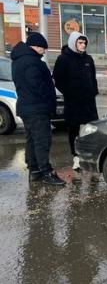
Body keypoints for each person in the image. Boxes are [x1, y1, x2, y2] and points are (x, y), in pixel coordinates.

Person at [11, 33, 65, 186]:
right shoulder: (33, 62)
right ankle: (46, 171)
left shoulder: (18, 60)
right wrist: (49, 101)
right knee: (42, 140)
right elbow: (38, 86)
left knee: (31, 139)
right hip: (37, 108)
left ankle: (34, 170)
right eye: (43, 48)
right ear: (36, 46)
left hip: (26, 107)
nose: (44, 51)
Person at [52, 31, 99, 172]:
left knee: (91, 128)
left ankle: (89, 155)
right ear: (73, 43)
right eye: (80, 42)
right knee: (74, 130)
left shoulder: (88, 59)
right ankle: (76, 157)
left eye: (84, 43)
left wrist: (94, 90)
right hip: (73, 102)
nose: (83, 45)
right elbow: (58, 79)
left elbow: (93, 77)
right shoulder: (63, 59)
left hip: (89, 101)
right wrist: (69, 92)